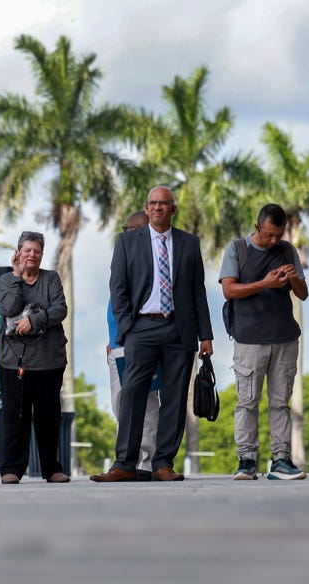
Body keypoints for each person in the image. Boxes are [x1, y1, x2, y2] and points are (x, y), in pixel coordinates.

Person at [92, 186, 213, 483]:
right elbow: (117, 289)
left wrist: (206, 335)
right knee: (132, 394)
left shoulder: (188, 243)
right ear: (146, 209)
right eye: (153, 203)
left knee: (173, 398)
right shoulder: (127, 242)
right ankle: (124, 464)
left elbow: (198, 291)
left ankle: (162, 464)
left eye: (164, 203)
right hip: (141, 328)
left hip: (179, 329)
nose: (158, 208)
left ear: (173, 209)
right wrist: (126, 328)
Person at [219, 203, 308, 481]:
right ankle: (246, 460)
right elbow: (228, 290)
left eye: (278, 235)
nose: (273, 240)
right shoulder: (237, 250)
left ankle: (281, 460)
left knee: (281, 402)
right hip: (249, 339)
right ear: (257, 227)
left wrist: (293, 279)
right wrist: (265, 284)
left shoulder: (287, 250)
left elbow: (303, 294)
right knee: (247, 401)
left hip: (284, 337)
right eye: (269, 234)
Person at [0, 231, 70, 484]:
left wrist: (34, 320)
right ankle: (12, 469)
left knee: (49, 417)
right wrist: (17, 276)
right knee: (15, 416)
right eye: (27, 250)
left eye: (37, 251)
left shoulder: (51, 279)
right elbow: (7, 309)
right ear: (18, 253)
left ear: (42, 254)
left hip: (49, 360)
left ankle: (52, 469)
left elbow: (60, 309)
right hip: (13, 361)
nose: (32, 255)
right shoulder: (7, 280)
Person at [106, 210, 159, 481]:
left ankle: (145, 462)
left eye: (127, 229)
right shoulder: (124, 256)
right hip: (117, 346)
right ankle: (127, 459)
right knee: (121, 405)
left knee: (147, 404)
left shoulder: (150, 260)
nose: (123, 233)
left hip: (138, 344)